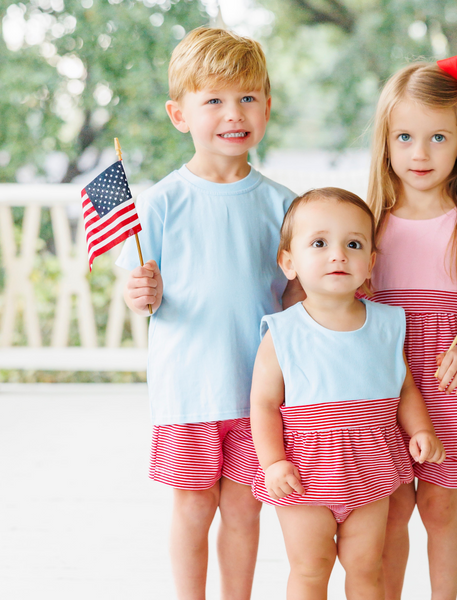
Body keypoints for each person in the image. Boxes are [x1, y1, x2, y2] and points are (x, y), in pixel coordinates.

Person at [116, 27, 300, 600]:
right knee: (193, 507)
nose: (233, 113)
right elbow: (139, 295)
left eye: (248, 98)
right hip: (188, 387)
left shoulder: (283, 204)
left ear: (267, 108)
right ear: (180, 113)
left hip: (258, 393)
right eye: (213, 100)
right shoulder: (160, 202)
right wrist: (141, 292)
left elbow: (293, 297)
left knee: (245, 511)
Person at [250, 187, 445, 600]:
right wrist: (272, 463)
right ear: (289, 262)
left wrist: (421, 430)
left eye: (353, 244)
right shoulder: (284, 332)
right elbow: (264, 405)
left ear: (370, 262)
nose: (337, 254)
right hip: (305, 473)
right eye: (319, 243)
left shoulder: (388, 324)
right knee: (309, 569)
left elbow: (404, 386)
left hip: (372, 468)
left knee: (366, 567)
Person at [365, 56, 457, 600]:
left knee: (441, 506)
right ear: (387, 142)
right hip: (387, 378)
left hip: (450, 379)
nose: (419, 153)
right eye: (405, 136)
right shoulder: (368, 221)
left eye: (437, 137)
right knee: (393, 506)